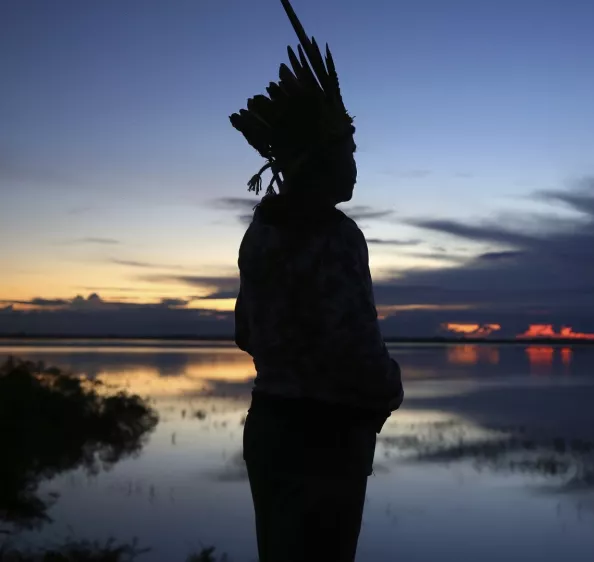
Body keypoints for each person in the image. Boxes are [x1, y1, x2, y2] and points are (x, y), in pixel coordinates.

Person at [229, 1, 404, 560]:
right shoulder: (334, 235)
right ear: (318, 161)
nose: (354, 163)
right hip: (325, 438)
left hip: (271, 429)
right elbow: (354, 348)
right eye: (347, 151)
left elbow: (246, 334)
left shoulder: (260, 232)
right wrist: (388, 389)